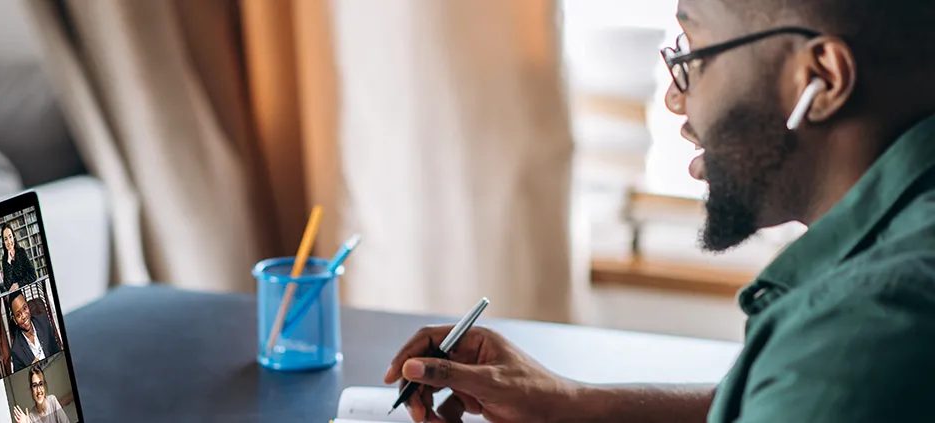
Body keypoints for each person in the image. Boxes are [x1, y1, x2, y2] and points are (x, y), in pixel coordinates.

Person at [385, 1, 935, 422]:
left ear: (823, 80)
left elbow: (822, 376)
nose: (676, 99)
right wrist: (568, 403)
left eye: (694, 55)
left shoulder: (863, 331)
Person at [7, 292, 61, 371]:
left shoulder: (44, 323)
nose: (24, 316)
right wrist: (31, 369)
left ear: (28, 306)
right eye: (18, 315)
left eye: (25, 308)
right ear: (15, 320)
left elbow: (57, 351)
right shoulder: (16, 351)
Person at [0, 224, 38, 293]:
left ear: (14, 237)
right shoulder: (4, 259)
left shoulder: (21, 252)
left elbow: (33, 275)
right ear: (3, 242)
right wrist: (9, 261)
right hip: (15, 294)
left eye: (10, 237)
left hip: (27, 290)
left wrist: (18, 284)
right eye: (5, 239)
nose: (9, 241)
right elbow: (7, 286)